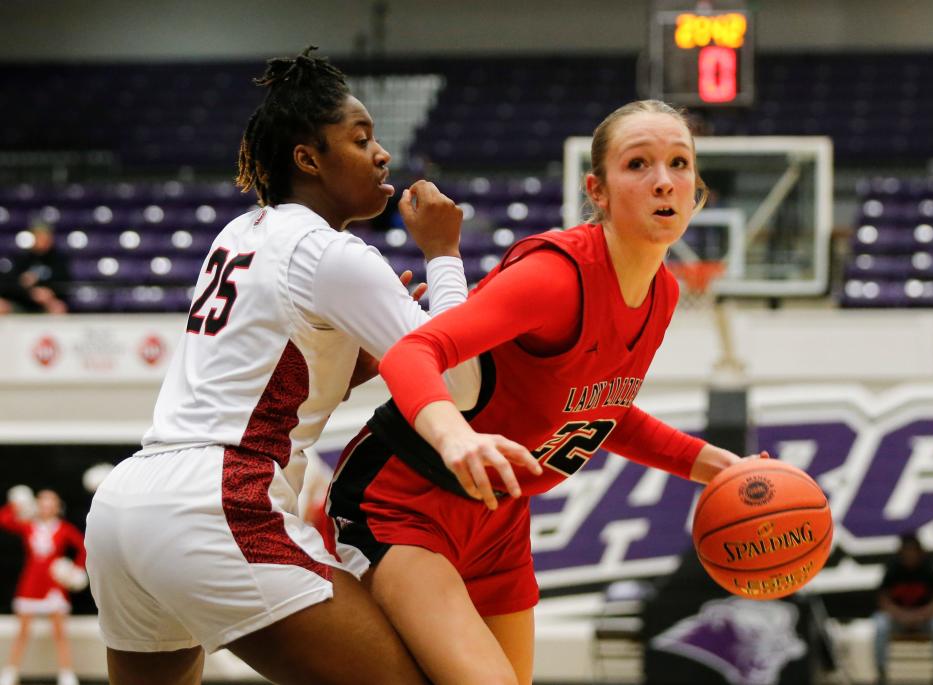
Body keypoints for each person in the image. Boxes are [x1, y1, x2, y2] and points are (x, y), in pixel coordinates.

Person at [324, 100, 769, 685]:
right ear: (598, 190)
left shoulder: (661, 291)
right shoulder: (555, 276)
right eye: (638, 164)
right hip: (405, 495)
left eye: (679, 163)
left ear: (696, 189)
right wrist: (456, 436)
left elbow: (596, 406)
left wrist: (710, 463)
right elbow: (414, 352)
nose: (663, 180)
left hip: (500, 515)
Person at [84, 47, 478, 685]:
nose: (383, 154)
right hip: (216, 499)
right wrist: (444, 254)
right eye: (361, 139)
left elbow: (262, 363)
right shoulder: (331, 251)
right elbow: (457, 384)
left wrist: (341, 375)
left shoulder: (239, 232)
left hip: (126, 505)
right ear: (307, 157)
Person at [0, 487, 86, 685]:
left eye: (51, 502)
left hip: (53, 587)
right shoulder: (29, 525)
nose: (46, 506)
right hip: (30, 585)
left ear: (57, 507)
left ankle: (66, 672)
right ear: (37, 505)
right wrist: (16, 503)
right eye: (43, 502)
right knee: (22, 632)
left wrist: (75, 570)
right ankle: (11, 671)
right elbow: (4, 520)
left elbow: (83, 547)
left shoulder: (63, 528)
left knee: (59, 633)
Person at [873, 532, 933, 685]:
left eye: (912, 550)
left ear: (919, 552)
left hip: (924, 619)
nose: (909, 554)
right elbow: (883, 599)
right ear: (900, 552)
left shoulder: (928, 568)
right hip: (898, 619)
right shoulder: (893, 568)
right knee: (880, 624)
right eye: (906, 550)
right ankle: (881, 673)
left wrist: (921, 615)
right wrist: (901, 615)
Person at [0, 224, 70, 315]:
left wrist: (49, 293)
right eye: (38, 236)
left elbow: (65, 284)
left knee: (58, 308)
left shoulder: (58, 260)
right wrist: (30, 292)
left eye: (44, 236)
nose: (41, 240)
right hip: (23, 303)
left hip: (47, 305)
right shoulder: (23, 258)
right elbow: (9, 285)